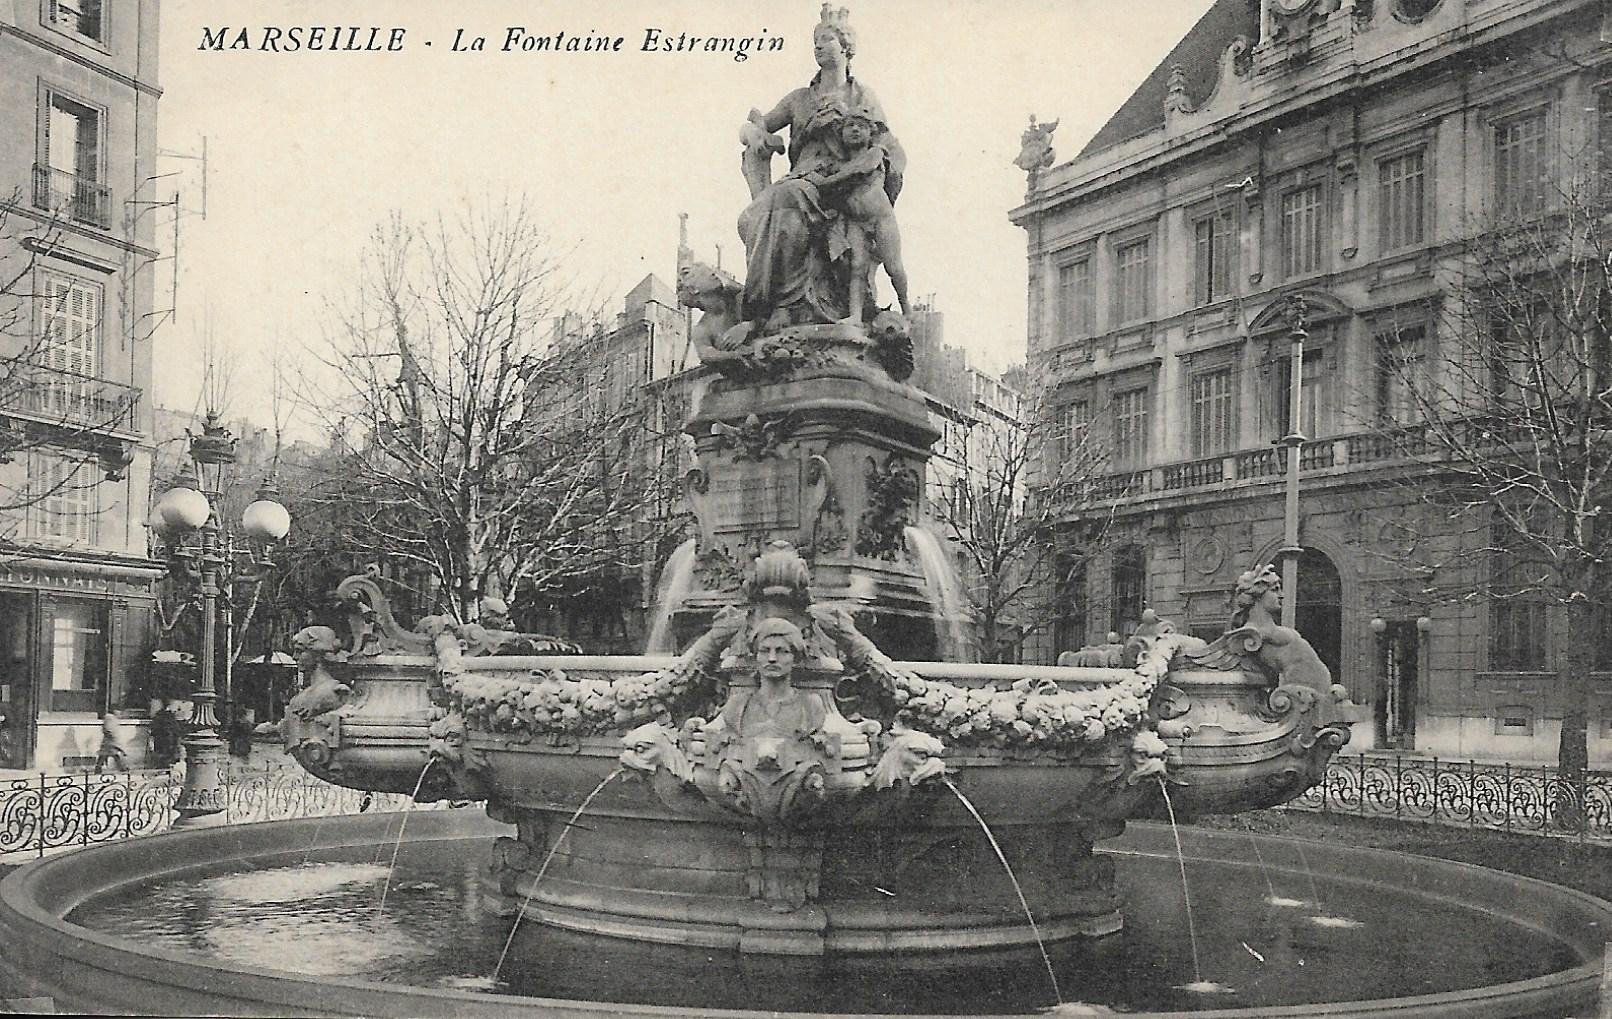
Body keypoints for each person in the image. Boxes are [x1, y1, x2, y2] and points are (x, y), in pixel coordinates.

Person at [736, 4, 905, 329]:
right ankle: (778, 305)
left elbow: (887, 143)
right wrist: (752, 134)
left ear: (845, 47)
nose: (818, 45)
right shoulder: (798, 99)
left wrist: (872, 160)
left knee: (783, 198)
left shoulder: (862, 96)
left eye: (826, 39)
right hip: (804, 178)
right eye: (816, 40)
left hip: (843, 184)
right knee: (758, 213)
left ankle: (770, 305)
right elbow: (757, 125)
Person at [808, 111, 910, 324]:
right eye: (850, 126)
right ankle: (854, 315)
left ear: (870, 133)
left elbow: (857, 172)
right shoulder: (838, 165)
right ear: (841, 134)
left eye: (861, 127)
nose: (855, 130)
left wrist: (824, 182)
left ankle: (906, 306)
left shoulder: (875, 153)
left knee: (894, 267)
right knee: (857, 268)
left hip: (881, 219)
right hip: (856, 222)